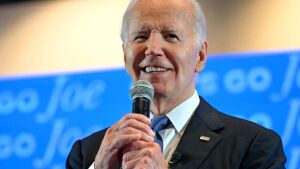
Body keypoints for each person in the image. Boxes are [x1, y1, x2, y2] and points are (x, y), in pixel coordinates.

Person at [66, 0, 286, 168]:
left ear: (200, 56)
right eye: (141, 36)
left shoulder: (253, 146)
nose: (152, 49)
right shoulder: (87, 153)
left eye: (170, 36)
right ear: (125, 57)